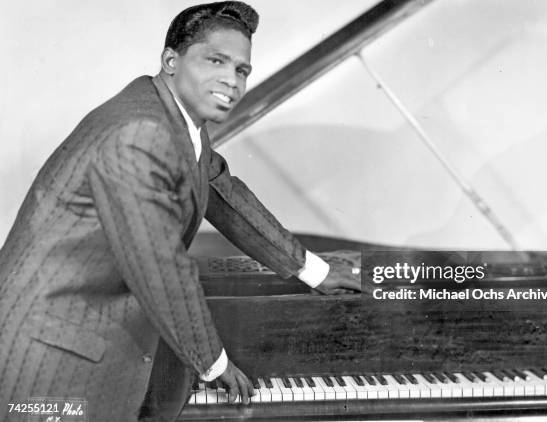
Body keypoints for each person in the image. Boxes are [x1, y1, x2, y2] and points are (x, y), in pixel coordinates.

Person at [0, 2, 362, 421]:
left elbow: (223, 192)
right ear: (171, 60)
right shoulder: (140, 132)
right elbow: (161, 267)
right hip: (52, 356)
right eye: (216, 60)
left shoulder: (172, 117)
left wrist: (311, 269)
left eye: (242, 70)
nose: (232, 79)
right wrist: (214, 362)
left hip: (76, 335)